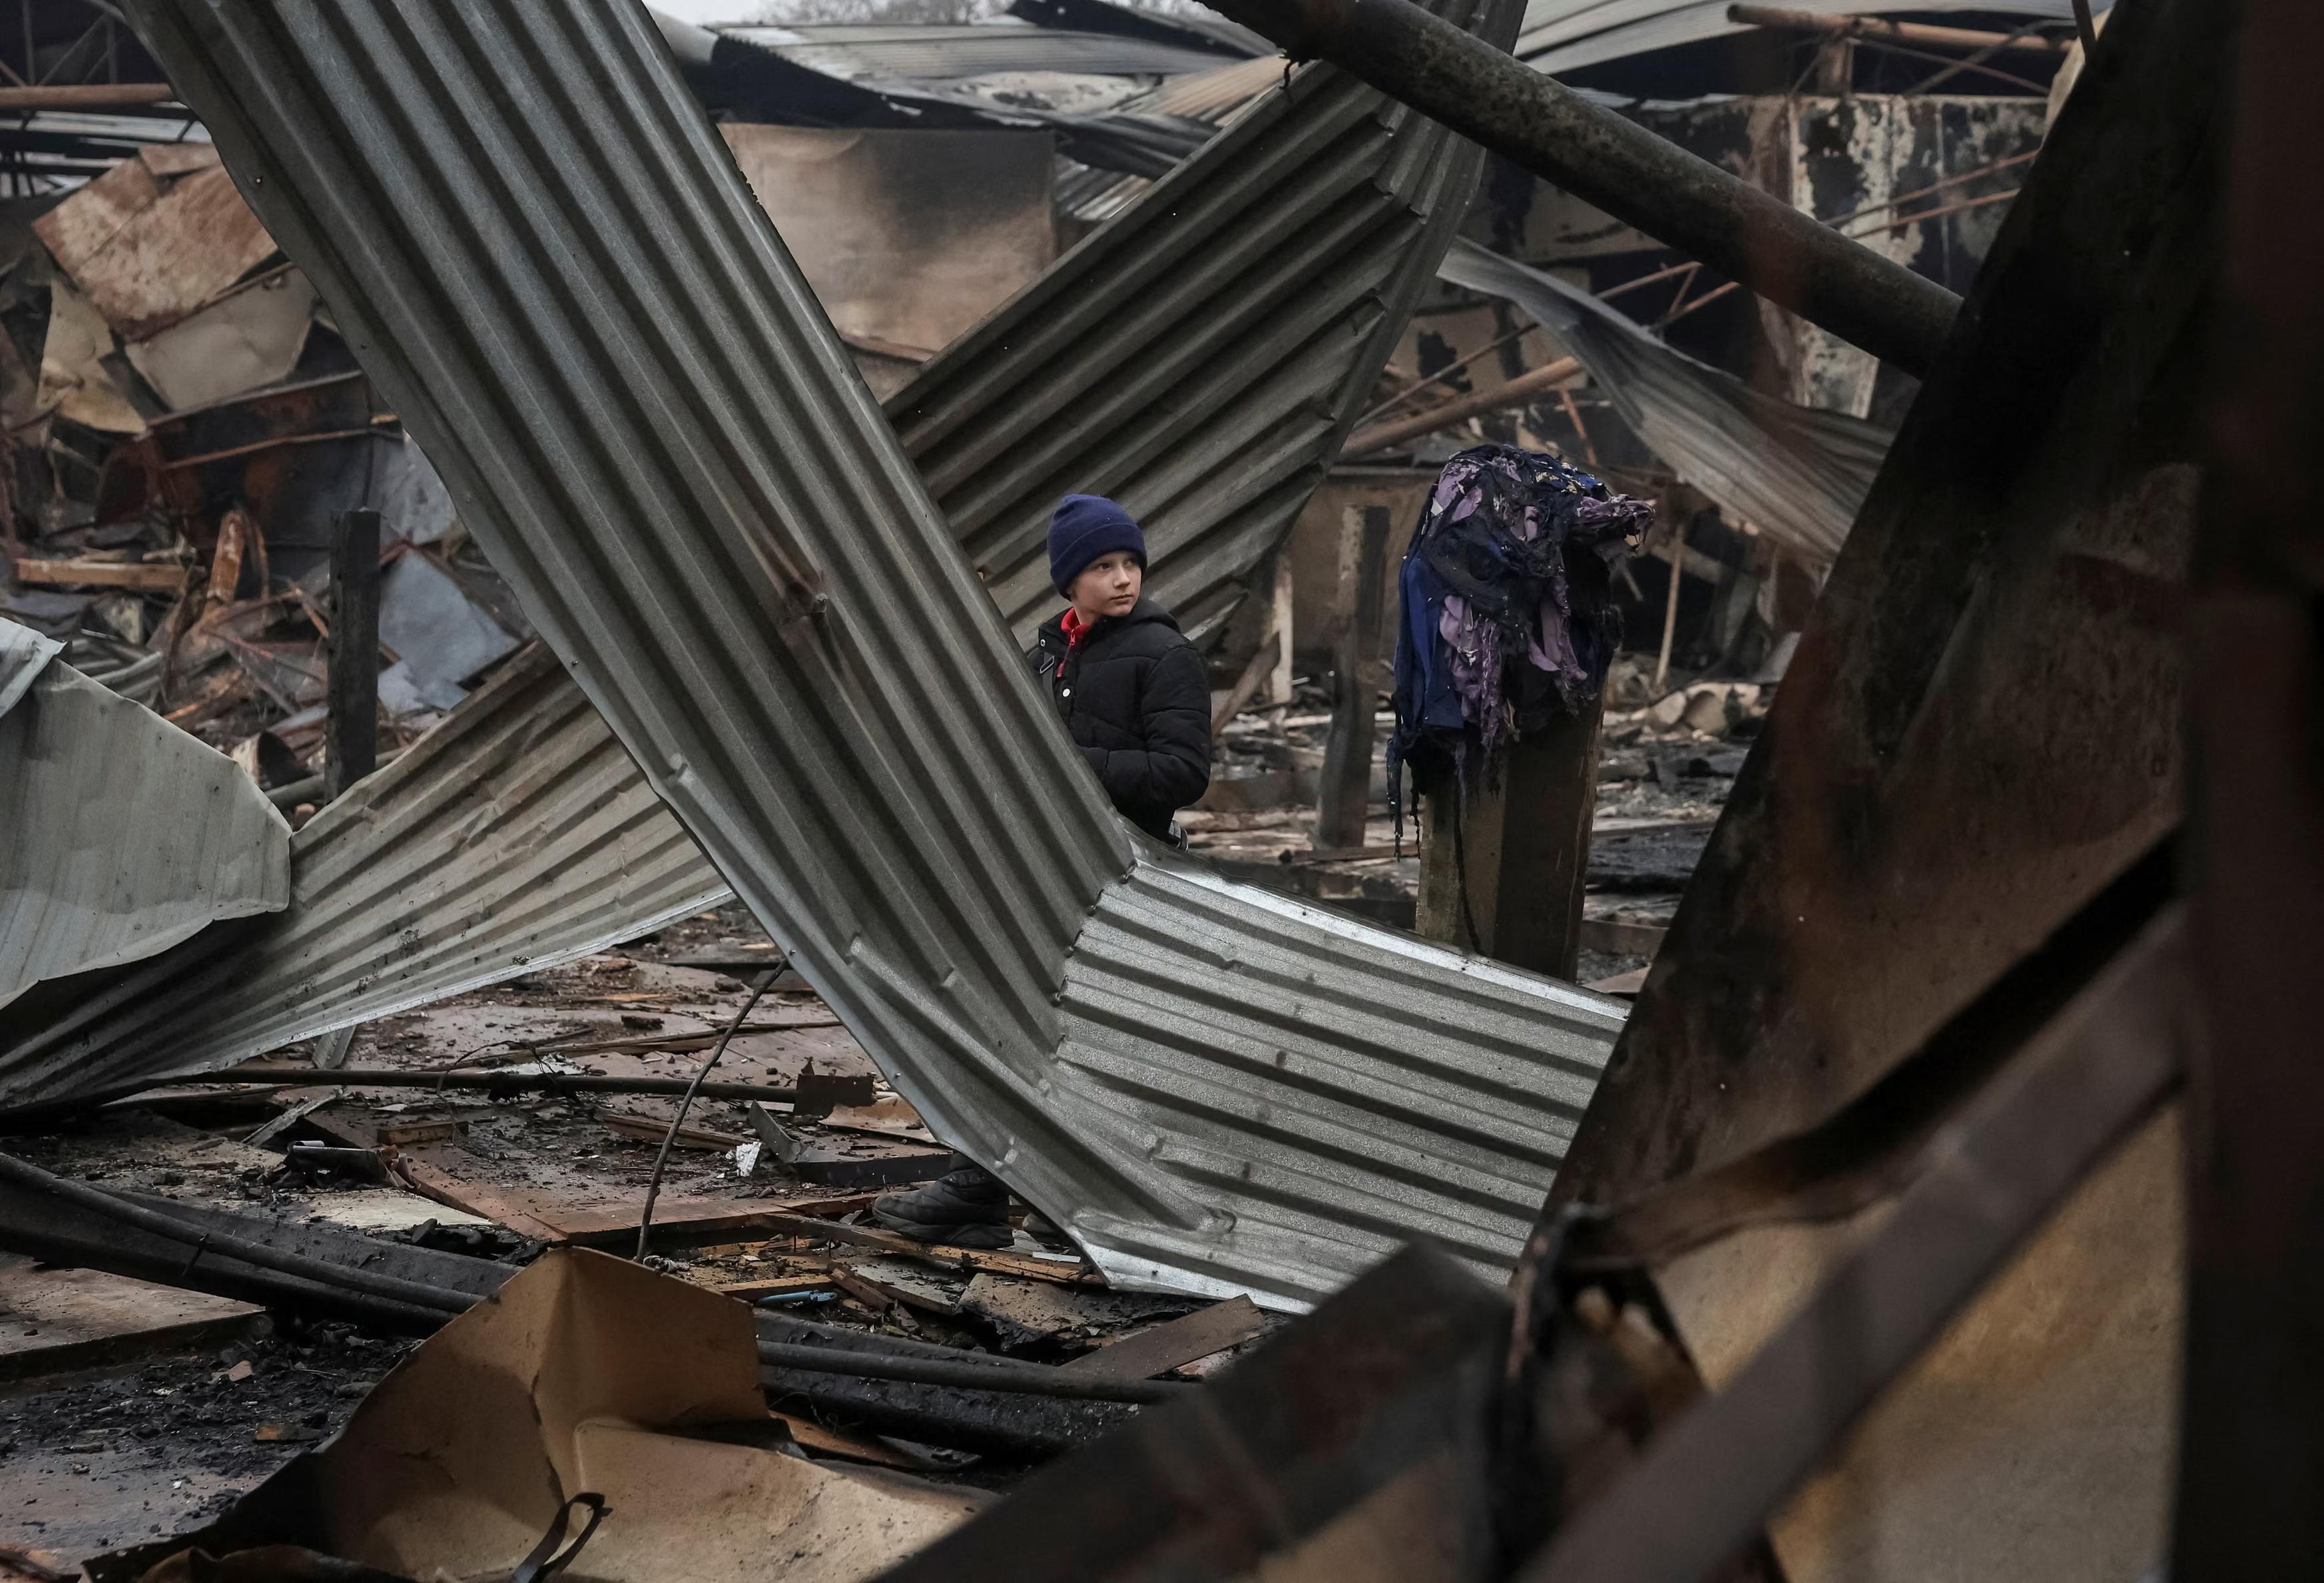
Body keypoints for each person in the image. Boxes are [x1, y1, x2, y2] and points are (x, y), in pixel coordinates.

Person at [870, 493, 1213, 1247]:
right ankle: (980, 1185)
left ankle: (1079, 1201)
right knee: (1001, 1022)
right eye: (1101, 567)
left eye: (1129, 563)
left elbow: (1182, 773)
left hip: (1125, 881)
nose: (1122, 579)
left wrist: (1064, 766)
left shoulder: (1164, 655)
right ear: (1068, 581)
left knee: (1094, 1043)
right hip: (1034, 880)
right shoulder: (1045, 658)